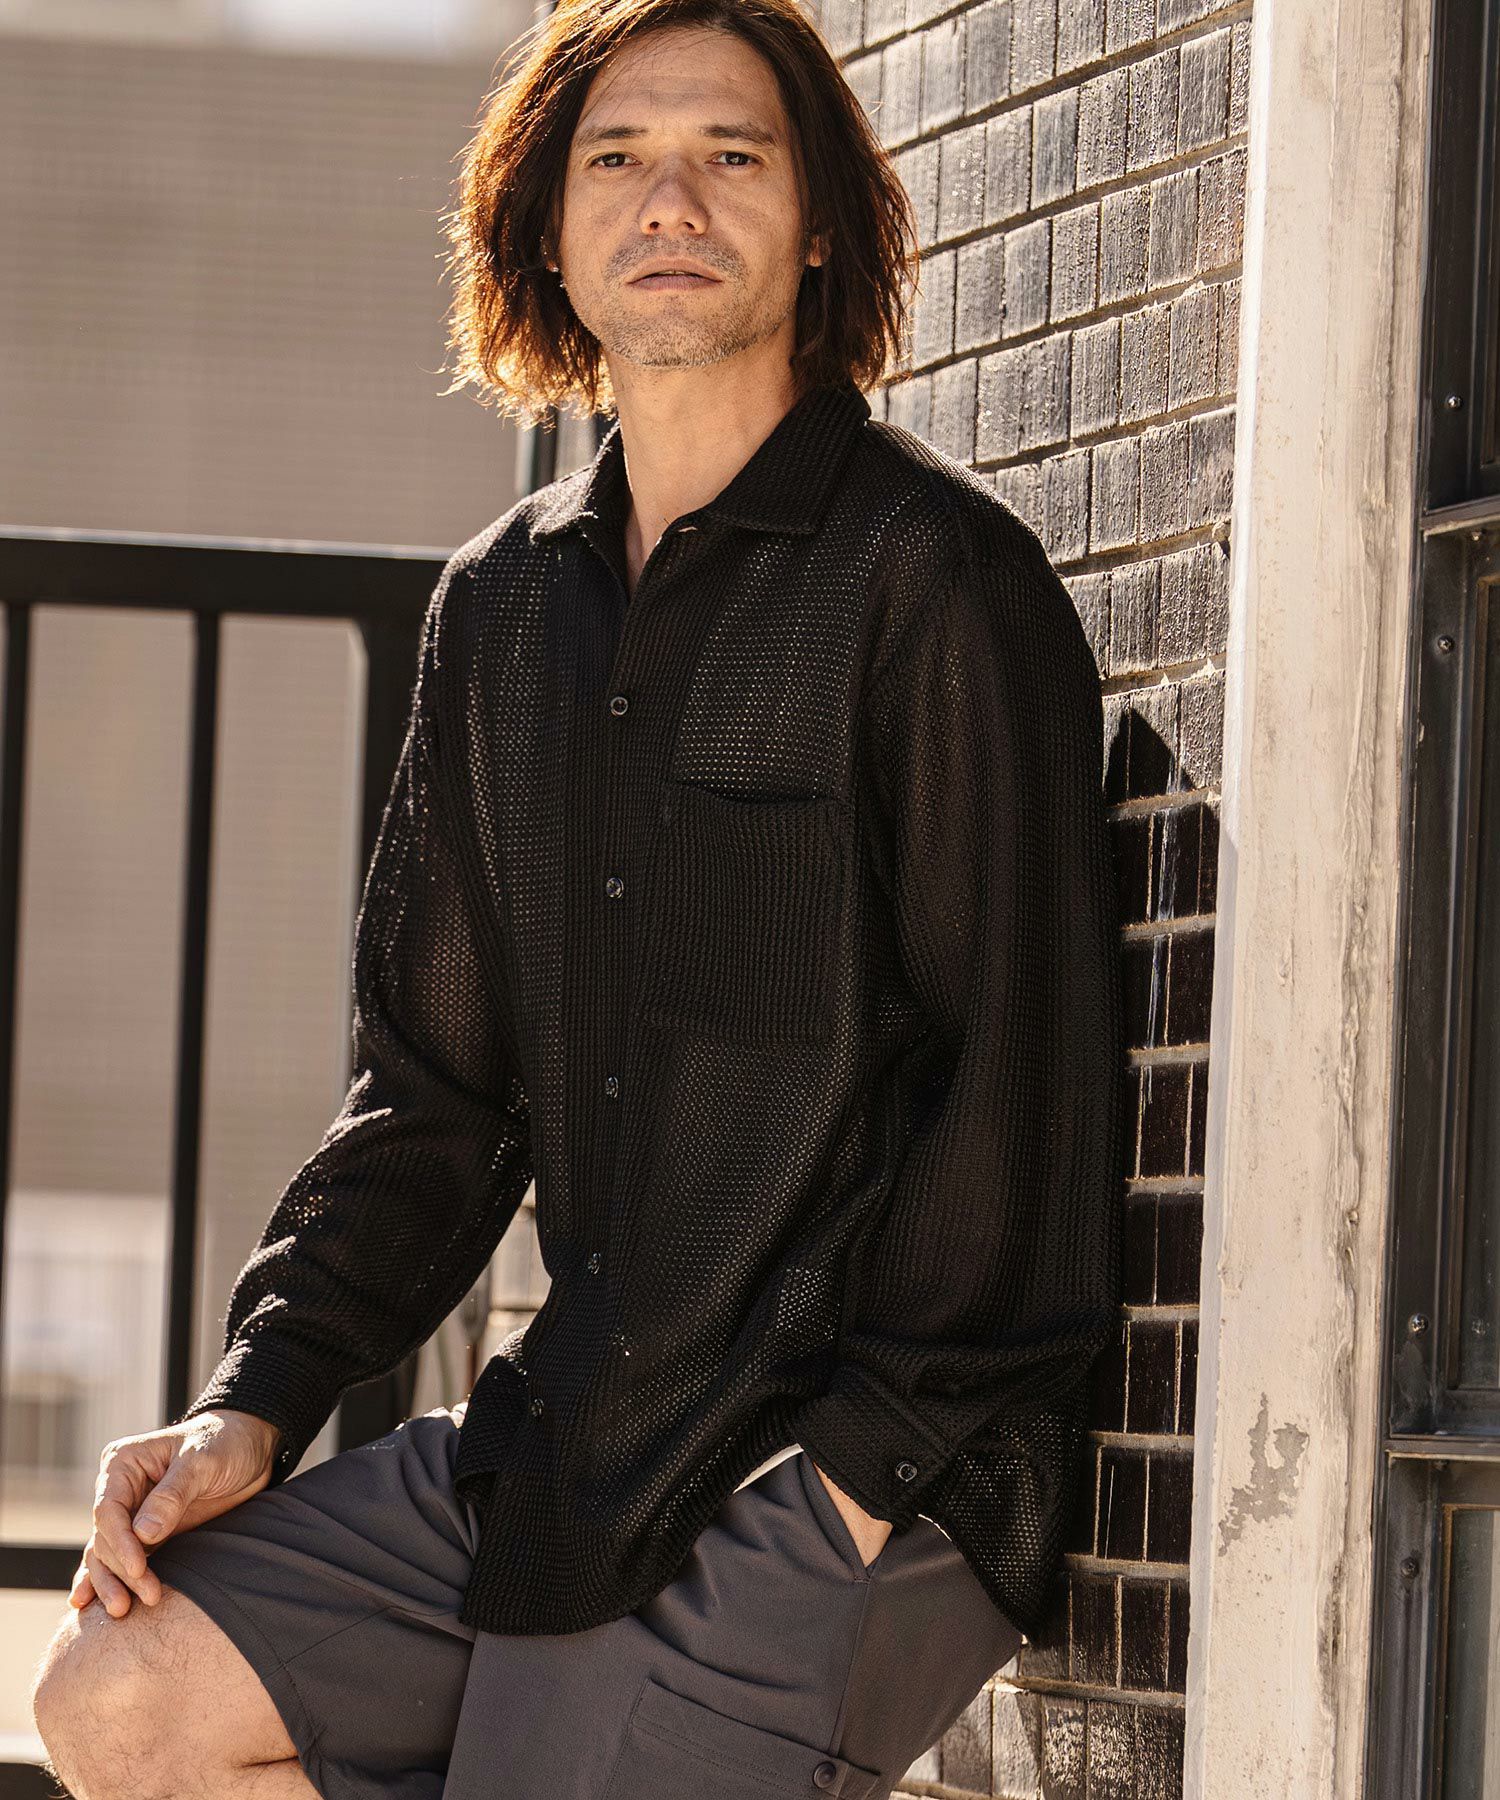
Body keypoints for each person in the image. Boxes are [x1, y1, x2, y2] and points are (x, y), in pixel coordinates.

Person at [30, 1, 1126, 1795]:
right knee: (116, 1694)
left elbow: (1022, 1090)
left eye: (732, 157)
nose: (669, 201)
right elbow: (432, 1096)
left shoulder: (933, 582)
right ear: (547, 227)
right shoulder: (503, 608)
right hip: (585, 1427)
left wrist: (850, 1486)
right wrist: (256, 1403)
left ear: (821, 223)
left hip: (851, 1459)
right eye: (618, 159)